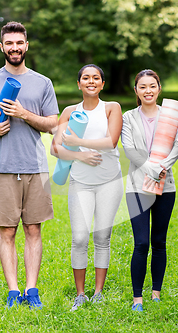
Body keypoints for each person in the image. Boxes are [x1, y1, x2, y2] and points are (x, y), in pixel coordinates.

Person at [0, 21, 59, 309]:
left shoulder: (42, 82)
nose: (15, 48)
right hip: (2, 167)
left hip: (35, 166)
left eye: (20, 43)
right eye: (10, 43)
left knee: (34, 229)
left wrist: (24, 113)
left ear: (27, 45)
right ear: (2, 46)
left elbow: (53, 124)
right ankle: (12, 291)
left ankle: (32, 290)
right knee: (7, 231)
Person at [50, 64, 123, 311]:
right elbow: (55, 148)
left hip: (109, 181)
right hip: (80, 182)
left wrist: (78, 143)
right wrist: (80, 156)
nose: (91, 81)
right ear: (79, 84)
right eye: (85, 78)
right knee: (80, 237)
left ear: (103, 84)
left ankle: (99, 292)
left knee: (102, 237)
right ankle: (80, 294)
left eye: (96, 78)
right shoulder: (70, 112)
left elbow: (111, 141)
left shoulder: (112, 108)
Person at [121, 70, 178, 312]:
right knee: (141, 243)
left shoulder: (170, 116)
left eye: (152, 86)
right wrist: (150, 168)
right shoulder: (129, 117)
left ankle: (156, 292)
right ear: (136, 90)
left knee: (159, 241)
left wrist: (162, 168)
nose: (148, 90)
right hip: (137, 187)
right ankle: (137, 298)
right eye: (142, 86)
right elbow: (129, 148)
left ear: (159, 88)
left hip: (166, 186)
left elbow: (176, 146)